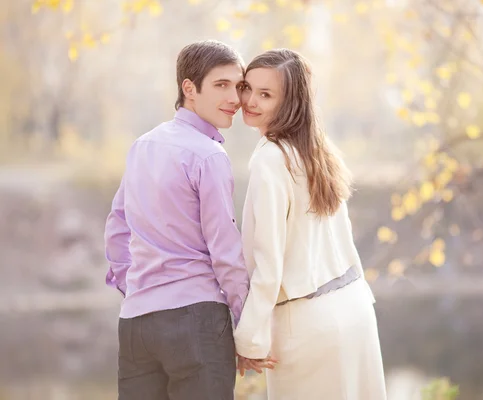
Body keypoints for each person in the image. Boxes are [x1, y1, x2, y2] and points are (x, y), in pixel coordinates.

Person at [104, 40, 259, 400]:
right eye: (221, 85)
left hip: (135, 324)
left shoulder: (143, 145)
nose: (235, 98)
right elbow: (225, 252)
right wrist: (246, 324)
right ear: (189, 88)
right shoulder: (209, 156)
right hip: (197, 321)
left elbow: (116, 228)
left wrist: (137, 288)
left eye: (238, 86)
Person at [233, 49, 388, 399]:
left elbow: (267, 264)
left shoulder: (271, 159)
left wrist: (249, 339)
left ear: (290, 103)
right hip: (354, 308)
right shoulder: (318, 150)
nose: (249, 101)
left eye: (266, 94)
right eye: (247, 88)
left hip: (307, 323)